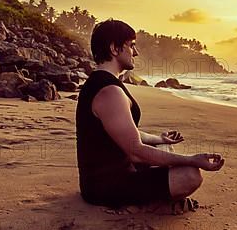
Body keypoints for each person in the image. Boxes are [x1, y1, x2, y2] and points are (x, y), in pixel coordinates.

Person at [76, 19, 224, 212]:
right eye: (131, 46)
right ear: (114, 48)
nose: (136, 52)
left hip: (122, 170)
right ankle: (148, 206)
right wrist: (191, 159)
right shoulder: (109, 92)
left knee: (165, 146)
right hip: (105, 185)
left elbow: (130, 132)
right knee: (190, 175)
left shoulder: (105, 84)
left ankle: (153, 197)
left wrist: (159, 138)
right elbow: (135, 151)